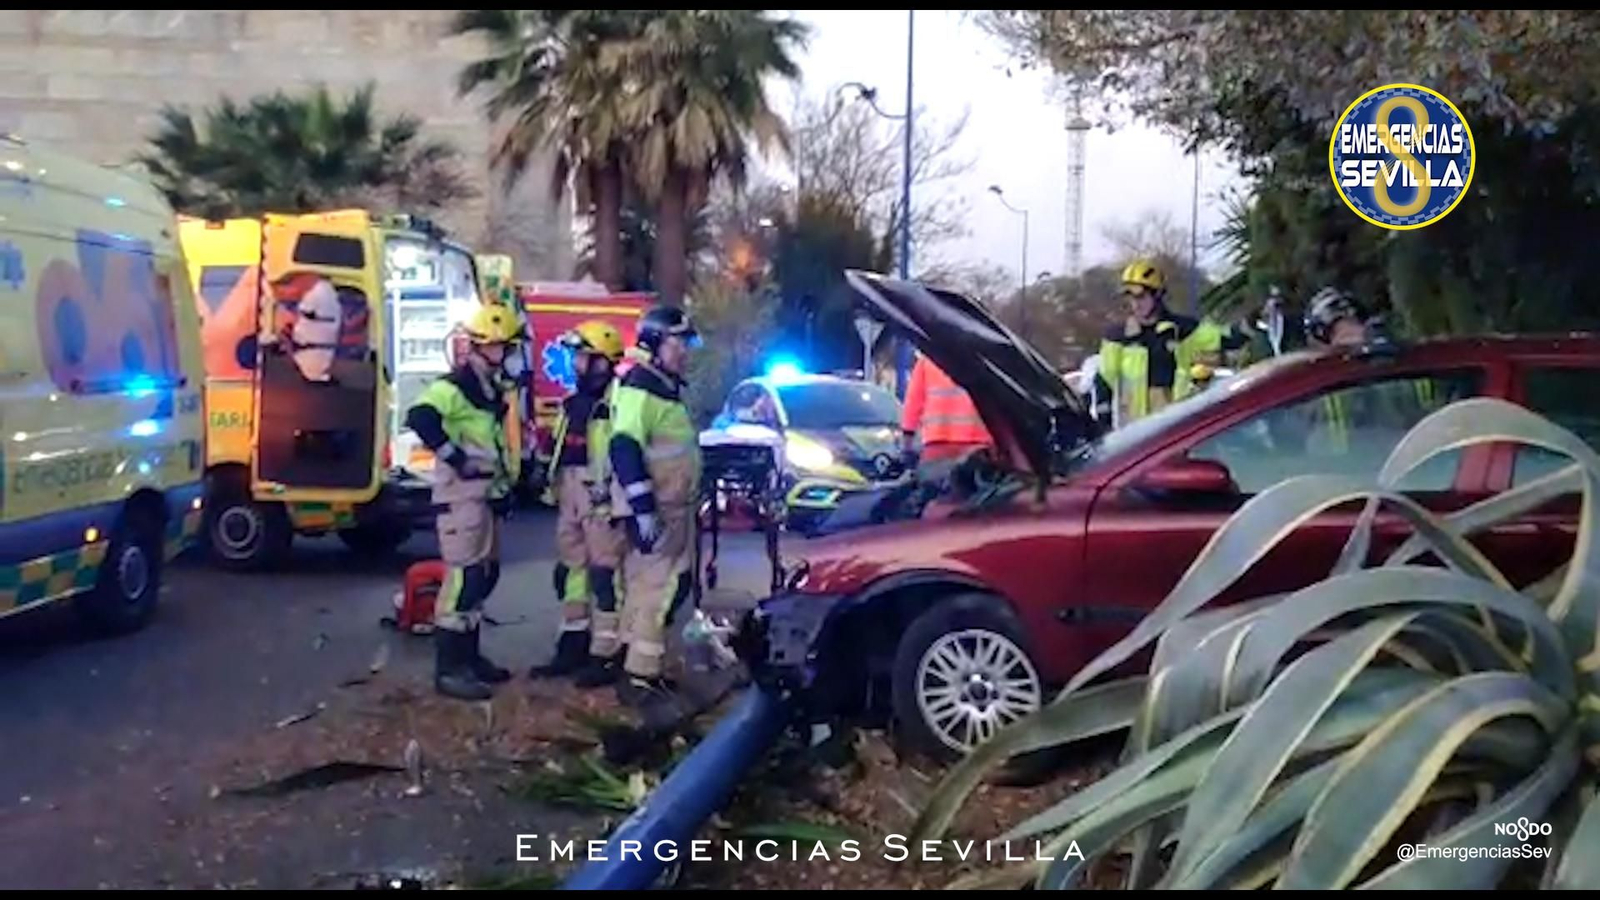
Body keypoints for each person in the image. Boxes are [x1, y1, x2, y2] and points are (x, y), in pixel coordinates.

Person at [405, 304, 523, 701]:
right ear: (482, 347)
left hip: (484, 498)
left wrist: (503, 490)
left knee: (483, 577)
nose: (507, 355)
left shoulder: (488, 392)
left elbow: (492, 447)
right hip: (461, 500)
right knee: (463, 579)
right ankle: (449, 669)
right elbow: (420, 416)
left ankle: (470, 659)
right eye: (502, 348)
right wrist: (455, 457)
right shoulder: (454, 387)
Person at [607, 305, 702, 701]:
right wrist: (643, 508)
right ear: (656, 342)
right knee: (661, 588)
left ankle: (634, 666)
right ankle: (640, 676)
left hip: (669, 508)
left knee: (648, 585)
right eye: (679, 342)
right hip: (658, 510)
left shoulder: (658, 385)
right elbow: (624, 444)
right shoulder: (640, 386)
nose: (685, 351)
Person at [528, 321, 632, 684]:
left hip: (603, 496)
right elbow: (560, 446)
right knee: (573, 571)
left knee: (605, 575)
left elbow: (627, 452)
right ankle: (573, 643)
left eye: (584, 358)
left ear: (603, 363)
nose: (576, 365)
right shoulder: (574, 403)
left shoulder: (620, 403)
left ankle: (607, 654)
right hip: (571, 493)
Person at [1093, 259, 1226, 428]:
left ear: (1157, 295)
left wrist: (1250, 325)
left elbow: (1224, 337)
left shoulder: (1183, 330)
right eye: (1130, 297)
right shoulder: (1118, 337)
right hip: (1134, 432)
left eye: (1141, 296)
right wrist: (1104, 425)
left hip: (1178, 424)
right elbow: (1103, 381)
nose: (1135, 304)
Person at [900, 350, 993, 479]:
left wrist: (907, 444)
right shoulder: (985, 358)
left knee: (934, 493)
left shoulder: (928, 359)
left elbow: (913, 401)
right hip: (978, 446)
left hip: (937, 445)